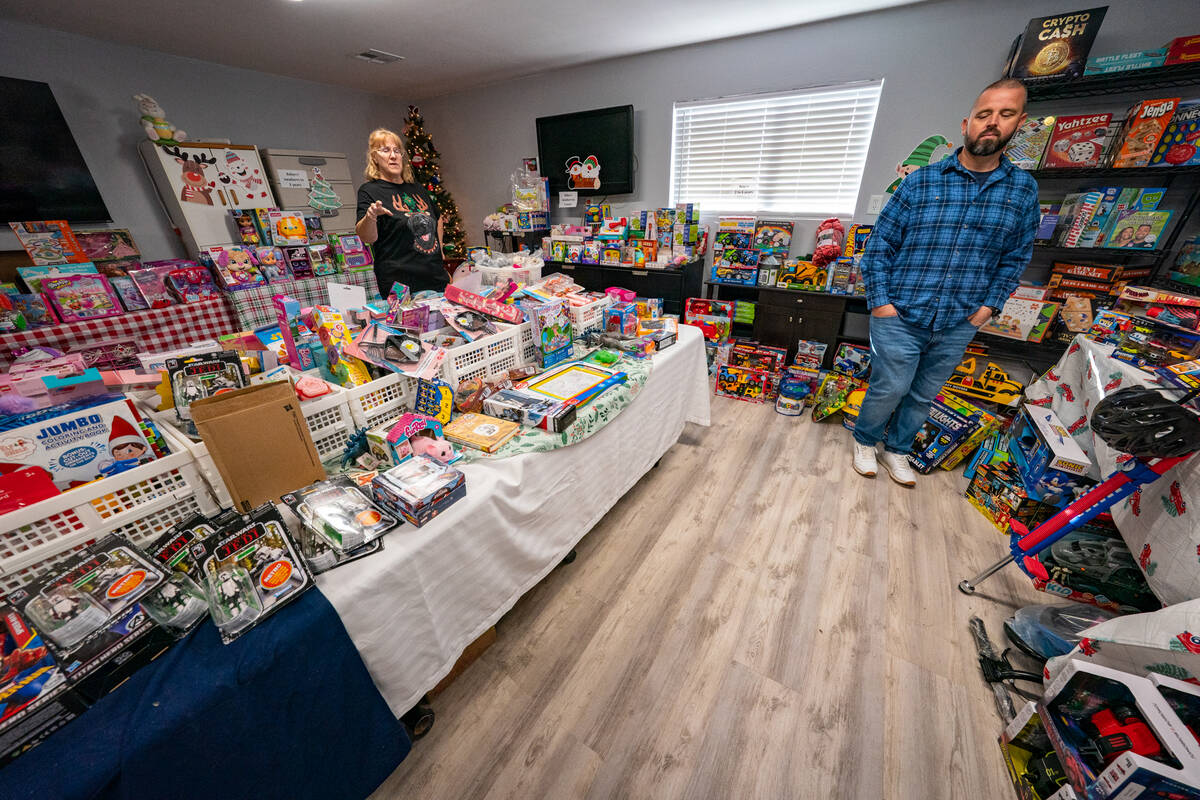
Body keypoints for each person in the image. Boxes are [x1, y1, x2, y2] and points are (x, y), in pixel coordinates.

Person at [852, 78, 1039, 487]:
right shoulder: (921, 181)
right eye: (983, 114)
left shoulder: (1023, 190)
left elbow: (1016, 257)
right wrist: (881, 303)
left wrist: (988, 308)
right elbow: (879, 245)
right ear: (966, 123)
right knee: (890, 386)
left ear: (1018, 124)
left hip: (959, 318)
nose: (992, 123)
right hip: (900, 311)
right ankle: (865, 440)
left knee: (923, 394)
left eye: (1005, 114)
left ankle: (897, 451)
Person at [356, 128, 447, 295]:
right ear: (374, 157)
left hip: (436, 279)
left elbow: (438, 218)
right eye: (385, 150)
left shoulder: (417, 188)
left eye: (397, 150)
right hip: (401, 285)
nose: (393, 155)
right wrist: (371, 216)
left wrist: (440, 251)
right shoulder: (369, 191)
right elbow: (367, 237)